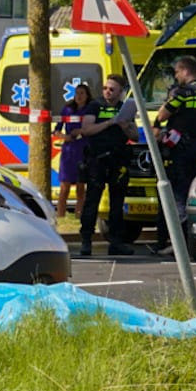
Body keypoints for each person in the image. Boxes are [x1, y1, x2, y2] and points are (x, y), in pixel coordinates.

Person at [150, 54, 196, 255]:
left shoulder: (182, 93)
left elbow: (162, 115)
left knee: (176, 194)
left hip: (180, 148)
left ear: (185, 70)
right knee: (188, 192)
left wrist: (158, 122)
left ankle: (179, 242)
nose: (176, 76)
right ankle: (186, 239)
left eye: (177, 72)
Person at [77, 73, 138, 257]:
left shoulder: (124, 108)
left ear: (120, 92)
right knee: (92, 202)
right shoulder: (95, 106)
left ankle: (116, 242)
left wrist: (124, 125)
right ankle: (86, 241)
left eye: (112, 89)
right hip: (97, 160)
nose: (107, 92)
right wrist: (110, 122)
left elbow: (135, 136)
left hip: (118, 160)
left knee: (117, 204)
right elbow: (86, 129)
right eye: (105, 88)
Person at [55, 79, 98, 223]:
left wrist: (80, 133)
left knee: (81, 186)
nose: (79, 96)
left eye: (82, 93)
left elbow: (91, 128)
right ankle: (60, 217)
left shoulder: (90, 110)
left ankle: (79, 217)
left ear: (87, 95)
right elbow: (57, 129)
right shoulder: (67, 109)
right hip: (68, 151)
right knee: (64, 187)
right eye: (76, 93)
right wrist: (62, 136)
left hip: (83, 149)